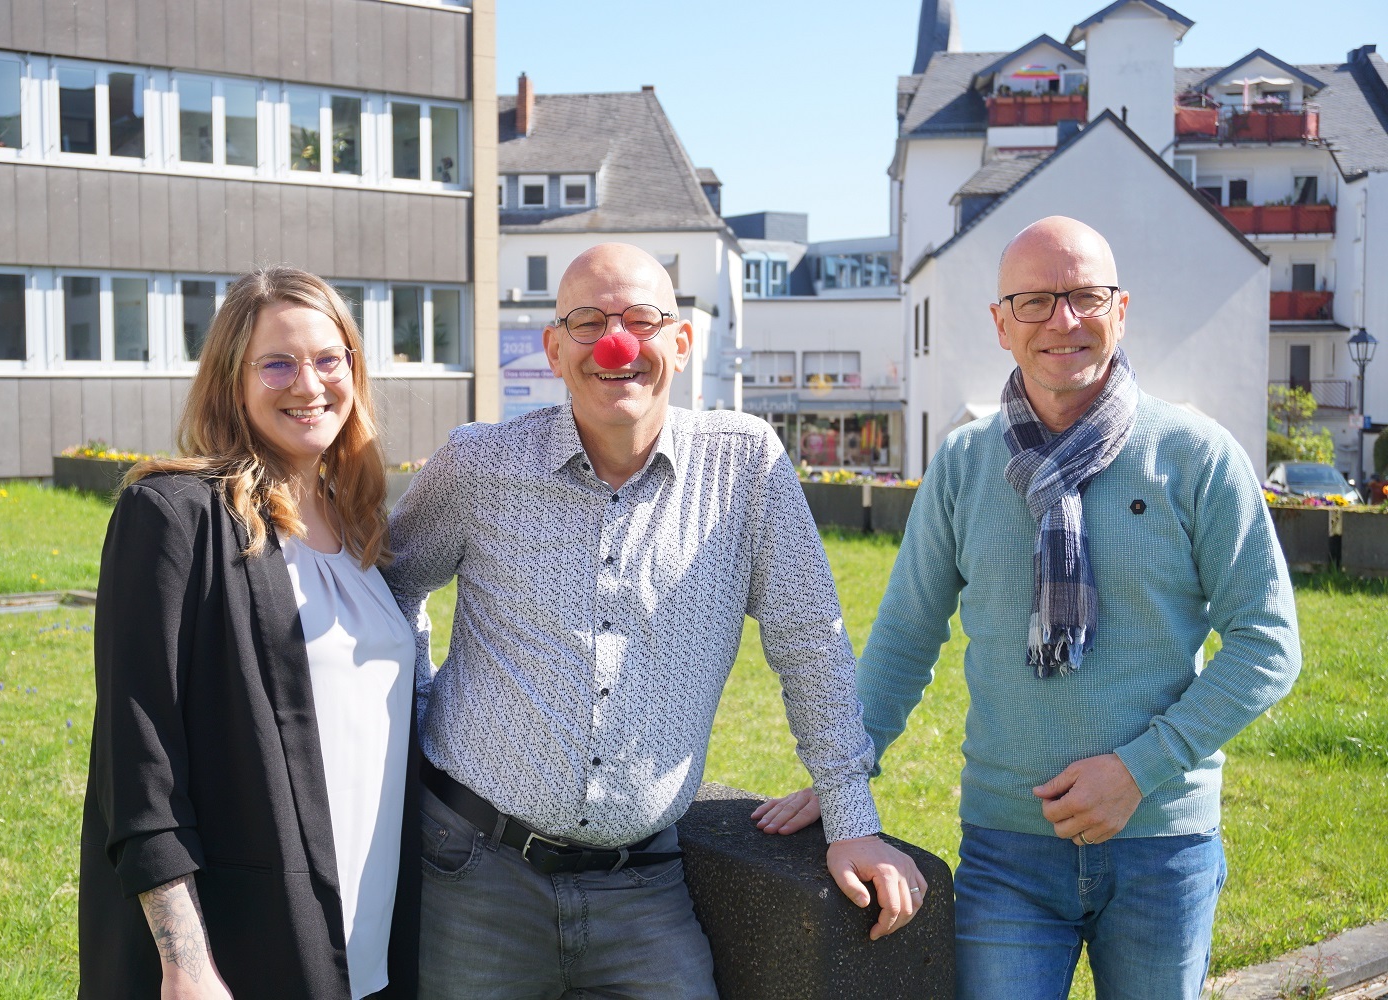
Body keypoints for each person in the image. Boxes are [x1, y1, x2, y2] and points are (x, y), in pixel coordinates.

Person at [753, 217, 1302, 999]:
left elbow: (1268, 643)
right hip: (1009, 848)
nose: (1063, 322)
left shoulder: (1196, 455)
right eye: (1036, 301)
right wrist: (848, 769)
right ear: (1001, 323)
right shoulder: (966, 463)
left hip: (1161, 843)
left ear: (1120, 310)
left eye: (1084, 296)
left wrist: (1137, 771)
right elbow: (908, 633)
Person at [386, 243, 926, 1000]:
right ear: (553, 349)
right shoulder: (478, 465)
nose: (618, 343)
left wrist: (851, 816)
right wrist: (415, 712)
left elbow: (811, 642)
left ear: (681, 341)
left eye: (642, 320)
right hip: (474, 872)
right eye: (588, 322)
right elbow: (390, 588)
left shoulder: (747, 467)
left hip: (641, 889)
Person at [78, 267, 419, 1000]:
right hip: (249, 939)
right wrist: (185, 960)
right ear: (233, 380)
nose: (309, 383)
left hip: (372, 931)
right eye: (278, 363)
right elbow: (138, 759)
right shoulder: (173, 515)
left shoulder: (358, 523)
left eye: (330, 360)